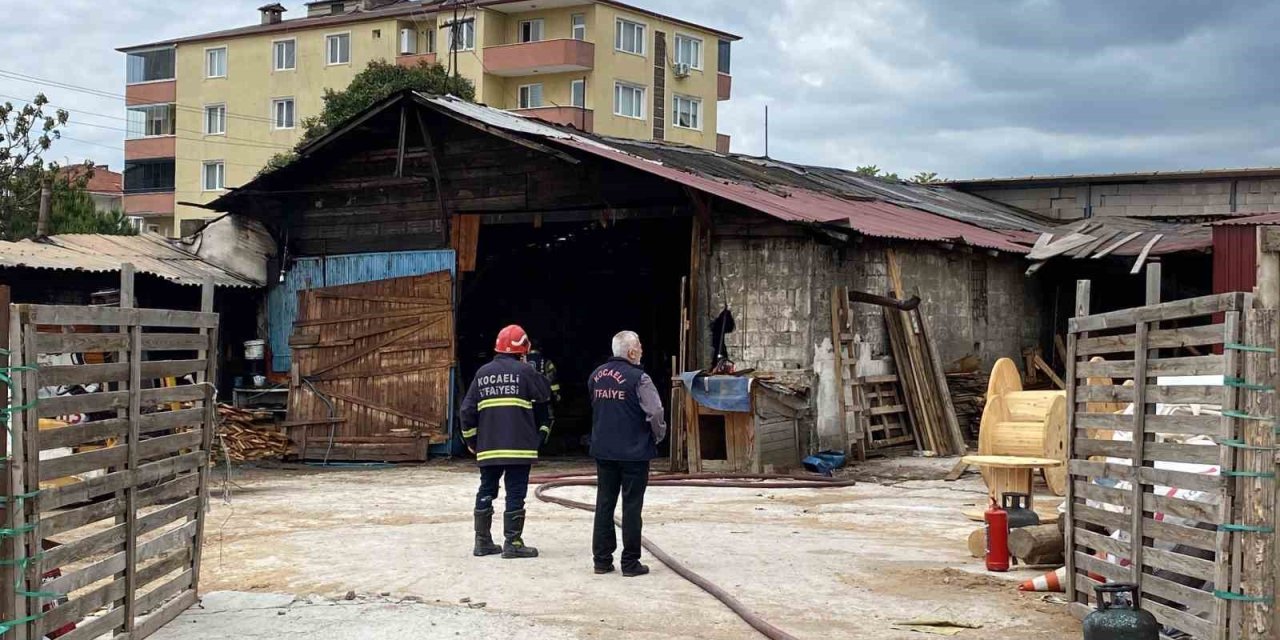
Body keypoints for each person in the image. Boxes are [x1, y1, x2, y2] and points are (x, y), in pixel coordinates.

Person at [460, 324, 552, 560]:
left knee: (486, 490)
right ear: (522, 349)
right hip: (518, 448)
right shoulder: (525, 371)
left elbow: (467, 410)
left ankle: (482, 542)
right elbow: (544, 394)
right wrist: (531, 364)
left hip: (488, 447)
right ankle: (513, 542)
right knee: (515, 493)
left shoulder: (482, 373)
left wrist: (471, 440)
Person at [588, 330, 666, 577]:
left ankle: (601, 560)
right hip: (634, 453)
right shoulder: (640, 378)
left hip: (604, 450)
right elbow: (655, 413)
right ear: (632, 351)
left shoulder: (596, 376)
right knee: (631, 507)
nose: (642, 349)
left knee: (604, 503)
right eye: (640, 346)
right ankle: (630, 563)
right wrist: (658, 436)